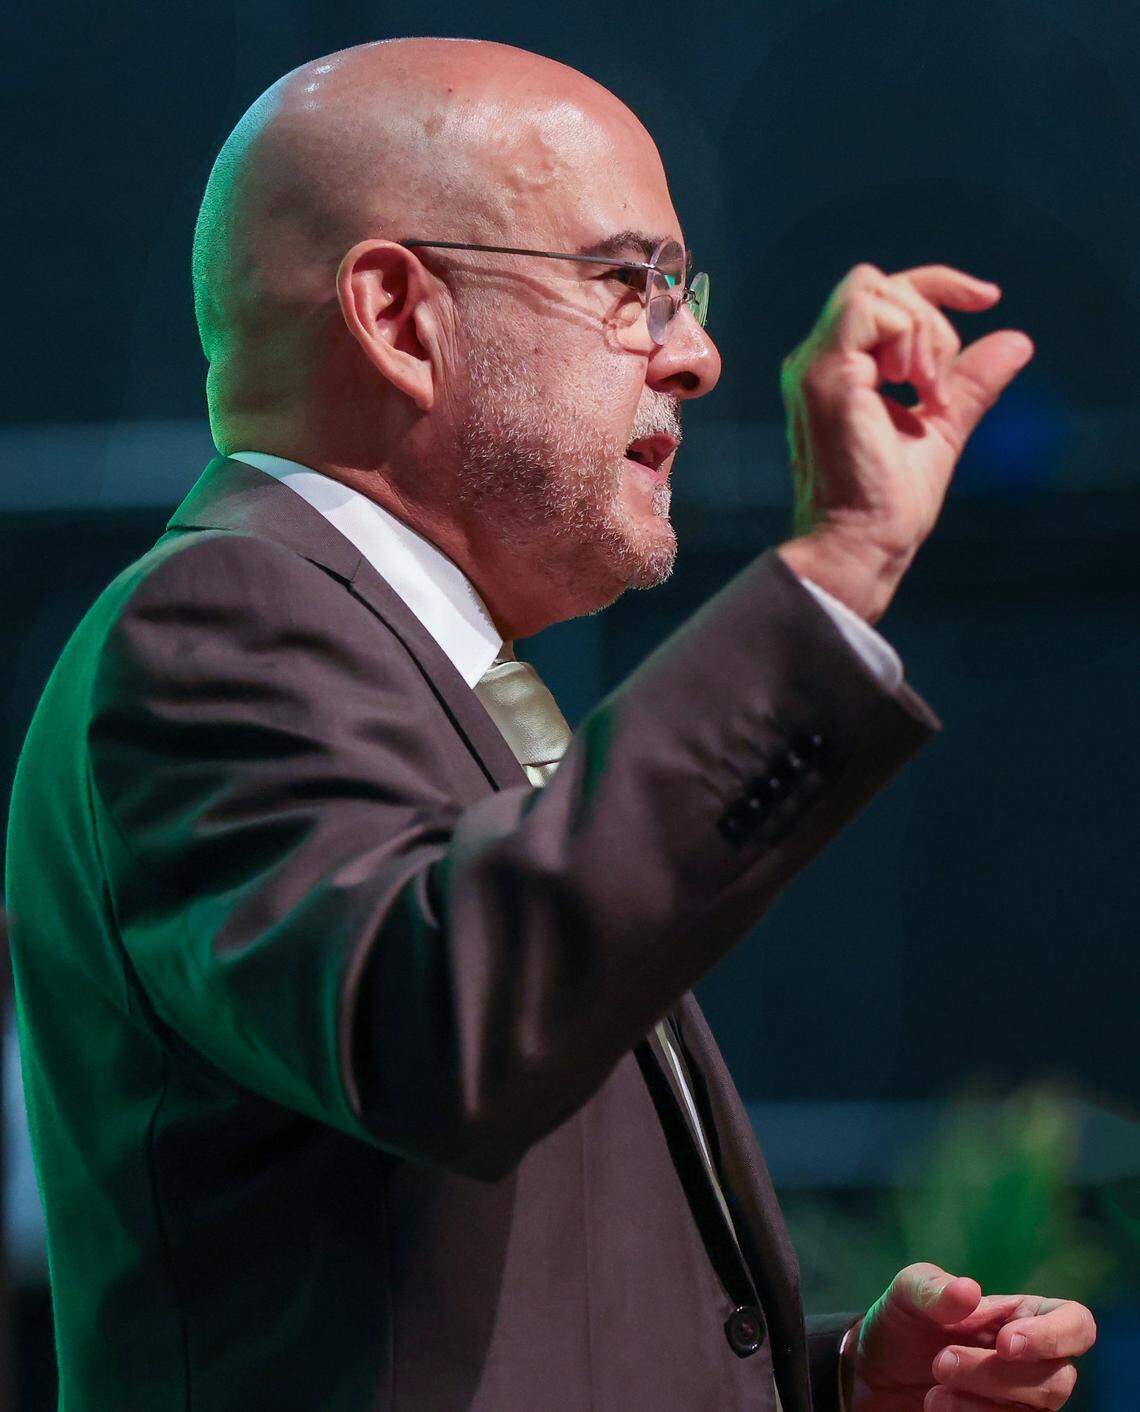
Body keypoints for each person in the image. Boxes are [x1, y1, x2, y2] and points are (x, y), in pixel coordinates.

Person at [5, 36, 1095, 1412]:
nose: (695, 354)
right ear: (400, 316)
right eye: (630, 283)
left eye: (683, 291)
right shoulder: (218, 619)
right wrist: (838, 570)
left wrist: (829, 1388)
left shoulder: (406, 661)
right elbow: (449, 1025)